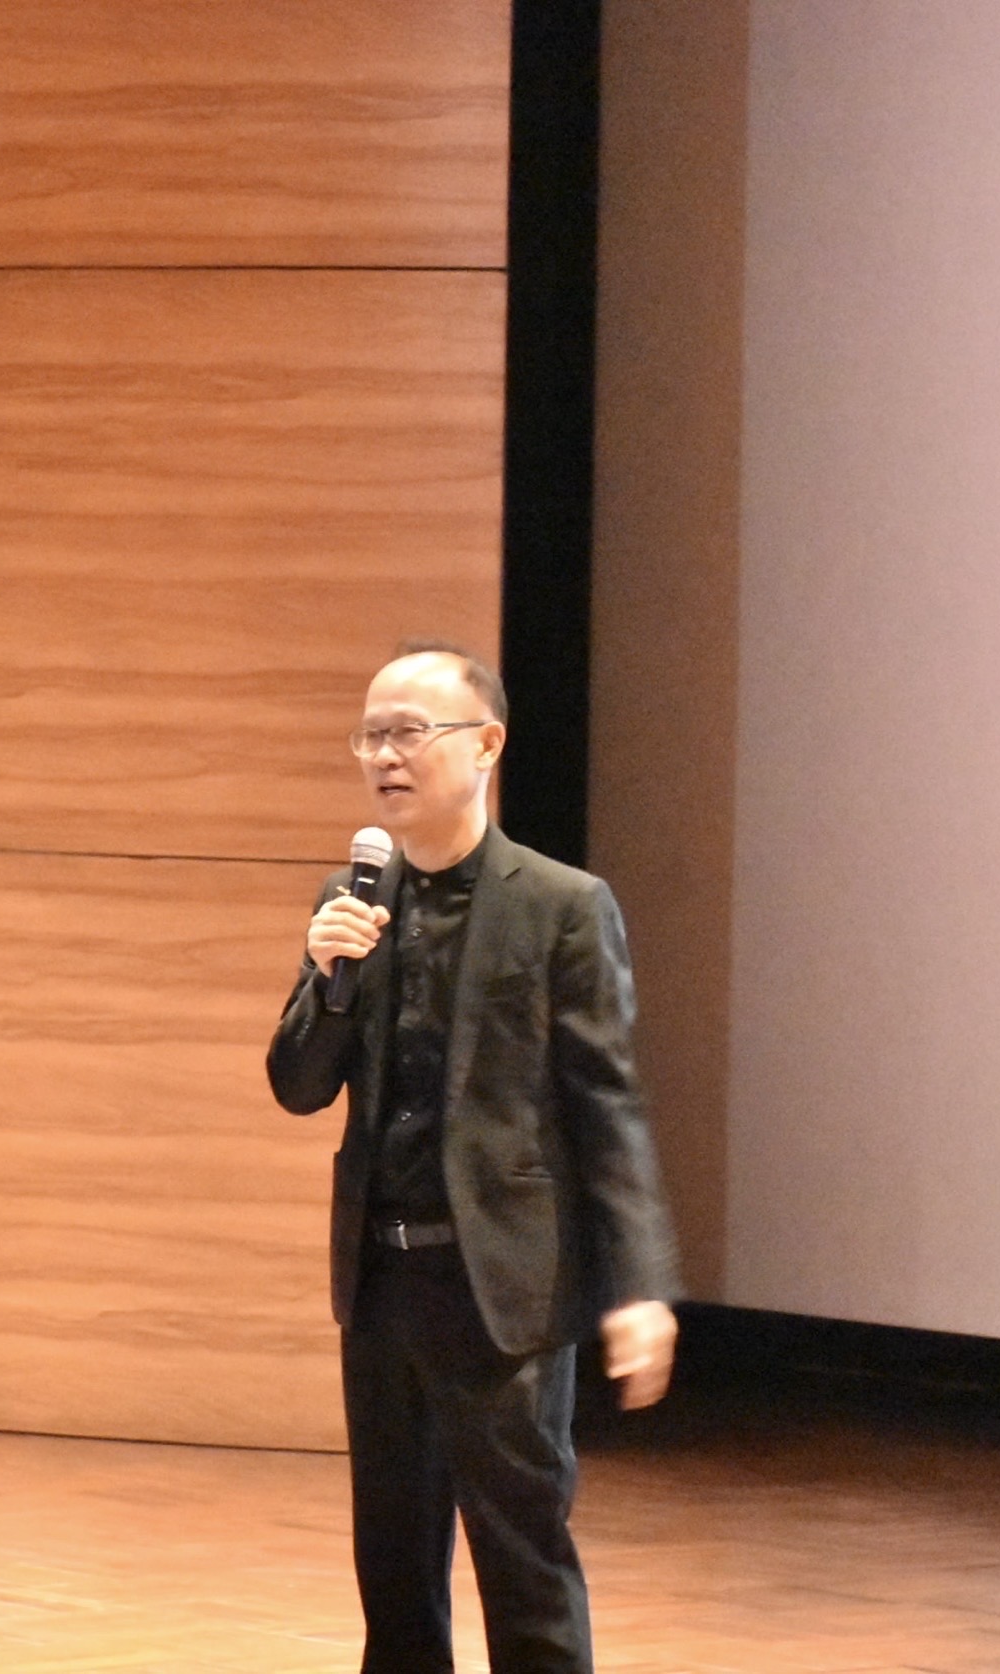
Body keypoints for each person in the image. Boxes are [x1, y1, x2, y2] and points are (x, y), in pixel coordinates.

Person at [267, 641, 682, 1674]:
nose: (383, 756)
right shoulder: (351, 900)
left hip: (501, 1293)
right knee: (394, 1574)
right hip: (381, 1287)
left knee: (523, 1566)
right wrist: (326, 977)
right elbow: (298, 1085)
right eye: (370, 735)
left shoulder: (561, 906)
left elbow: (606, 1104)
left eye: (408, 731)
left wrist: (636, 1286)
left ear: (486, 744)